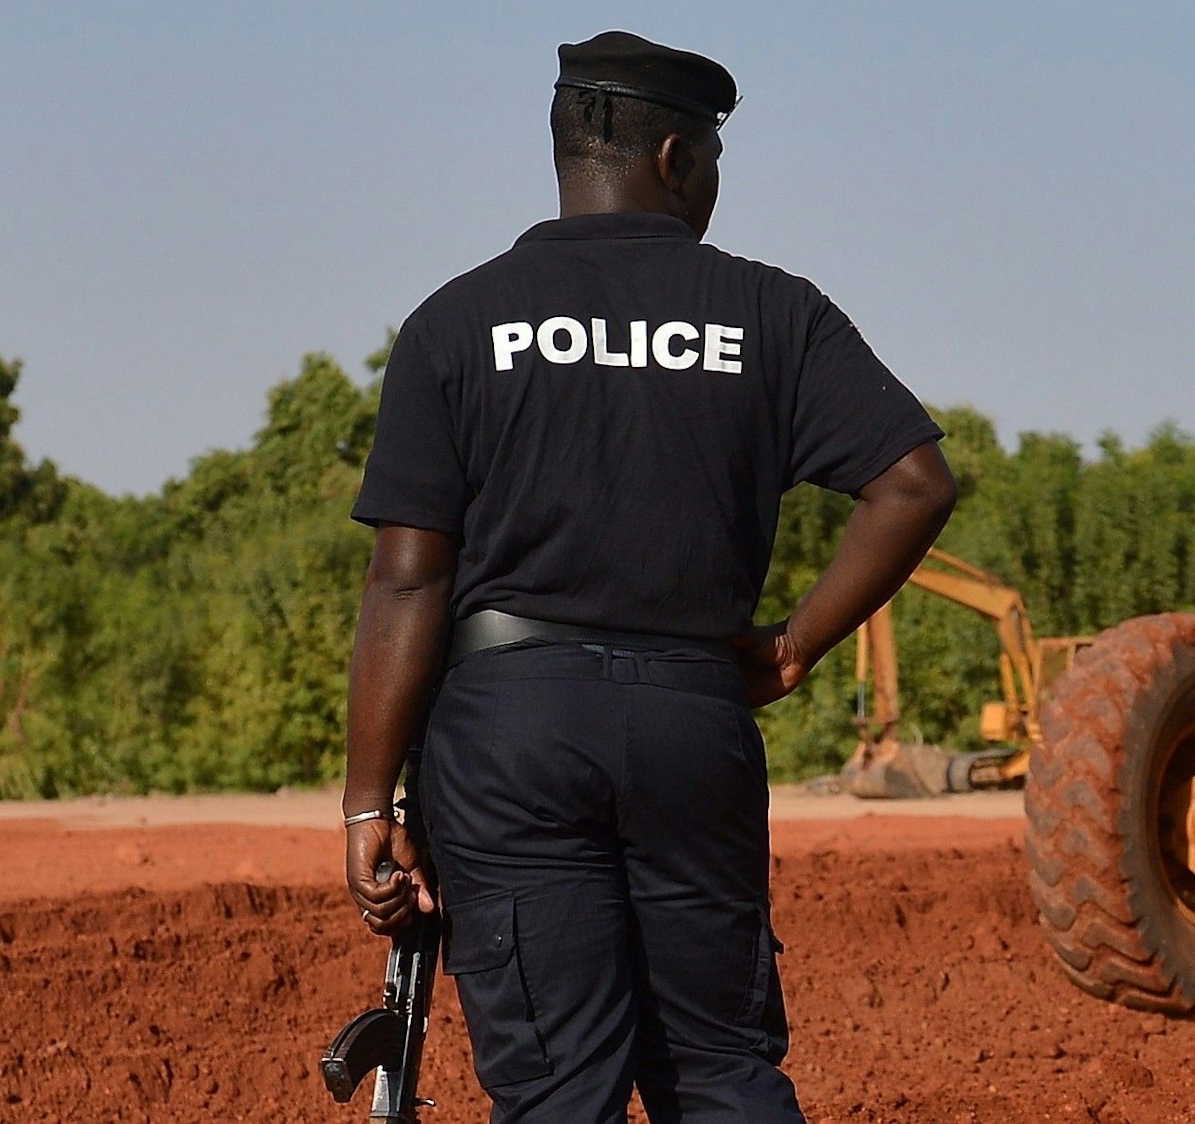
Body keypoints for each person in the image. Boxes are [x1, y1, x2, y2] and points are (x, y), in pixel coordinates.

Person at [342, 30, 958, 1123]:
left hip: (508, 731)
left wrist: (365, 801)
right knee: (720, 1066)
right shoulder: (772, 312)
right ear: (675, 156)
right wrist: (793, 642)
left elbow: (405, 583)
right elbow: (913, 483)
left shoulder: (455, 322)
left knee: (556, 1086)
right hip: (690, 720)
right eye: (715, 159)